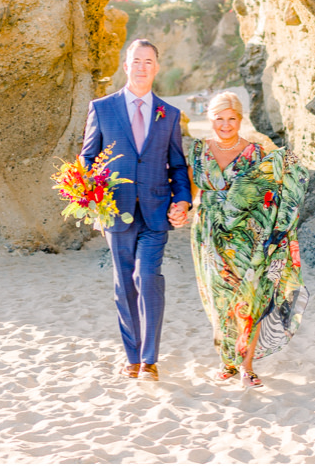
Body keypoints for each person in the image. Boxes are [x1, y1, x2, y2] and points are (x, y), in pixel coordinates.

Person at [176, 91, 309, 388]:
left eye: (231, 119)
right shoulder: (198, 151)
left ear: (240, 119)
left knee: (249, 296)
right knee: (220, 298)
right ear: (211, 119)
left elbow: (274, 191)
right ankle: (227, 362)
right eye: (219, 119)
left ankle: (247, 366)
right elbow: (192, 190)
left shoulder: (256, 152)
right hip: (209, 234)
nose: (225, 125)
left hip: (247, 235)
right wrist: (181, 207)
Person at [81, 39, 191, 381]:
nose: (142, 66)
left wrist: (183, 201)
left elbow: (177, 165)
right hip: (116, 210)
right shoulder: (102, 108)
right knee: (124, 284)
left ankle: (149, 359)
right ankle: (131, 356)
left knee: (148, 278)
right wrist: (93, 198)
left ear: (156, 67)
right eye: (136, 60)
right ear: (126, 66)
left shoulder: (169, 114)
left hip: (156, 211)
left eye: (149, 61)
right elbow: (88, 158)